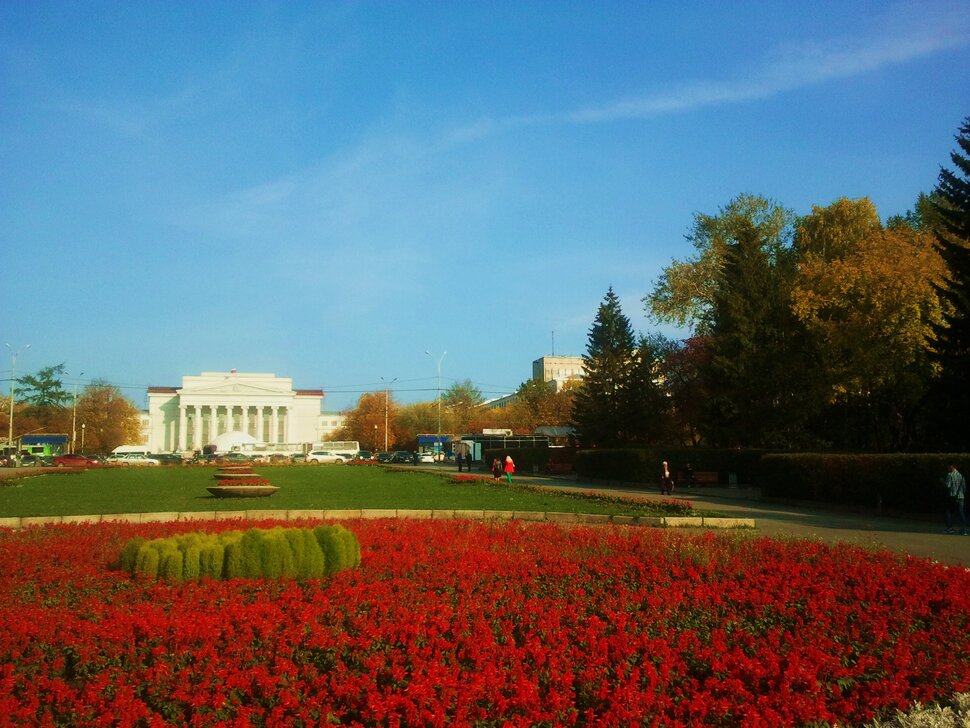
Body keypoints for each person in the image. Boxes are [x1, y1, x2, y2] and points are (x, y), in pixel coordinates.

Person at [943, 464, 967, 535]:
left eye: (948, 467)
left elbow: (948, 486)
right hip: (961, 497)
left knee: (949, 511)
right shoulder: (961, 476)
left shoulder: (950, 475)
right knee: (961, 513)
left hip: (952, 497)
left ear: (952, 467)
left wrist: (942, 482)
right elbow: (964, 488)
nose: (947, 468)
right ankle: (963, 530)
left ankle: (949, 528)